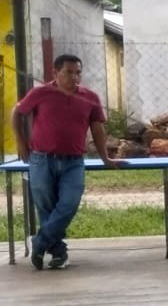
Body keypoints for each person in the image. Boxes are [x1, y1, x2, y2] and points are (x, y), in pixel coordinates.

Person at [10, 53, 122, 270]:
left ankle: (40, 241)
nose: (74, 77)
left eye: (78, 73)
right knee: (46, 207)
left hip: (73, 162)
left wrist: (105, 157)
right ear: (55, 73)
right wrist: (20, 141)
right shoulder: (40, 93)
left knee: (69, 203)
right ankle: (59, 253)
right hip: (41, 160)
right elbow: (17, 111)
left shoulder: (90, 97)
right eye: (69, 72)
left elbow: (97, 128)